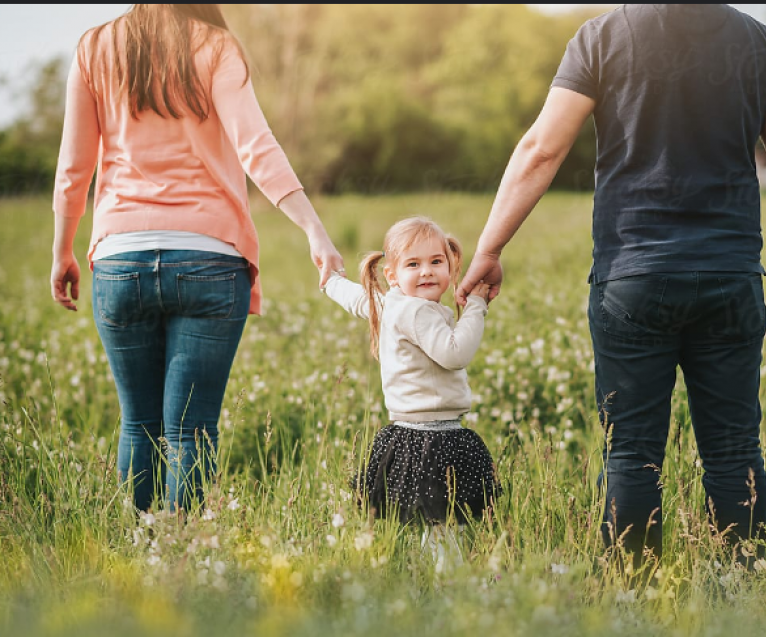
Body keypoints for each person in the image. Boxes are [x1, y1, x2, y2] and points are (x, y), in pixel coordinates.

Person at [456, 4, 766, 568]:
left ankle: (632, 597)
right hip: (730, 275)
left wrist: (489, 248)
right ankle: (742, 592)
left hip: (632, 277)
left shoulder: (601, 38)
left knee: (631, 451)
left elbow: (541, 151)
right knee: (733, 449)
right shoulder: (761, 44)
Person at [50, 4, 344, 514]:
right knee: (191, 429)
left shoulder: (94, 47)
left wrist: (63, 250)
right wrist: (313, 227)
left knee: (137, 422)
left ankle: (140, 560)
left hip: (120, 259)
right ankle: (180, 560)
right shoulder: (214, 46)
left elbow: (74, 168)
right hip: (211, 257)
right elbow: (257, 146)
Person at [322, 216, 500, 560]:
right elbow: (455, 353)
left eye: (436, 262)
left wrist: (330, 281)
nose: (427, 272)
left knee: (432, 521)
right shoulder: (417, 312)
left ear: (450, 265)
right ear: (393, 275)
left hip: (408, 435)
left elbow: (361, 299)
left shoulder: (393, 303)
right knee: (445, 524)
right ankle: (445, 585)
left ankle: (429, 579)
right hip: (435, 438)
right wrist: (477, 305)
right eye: (413, 264)